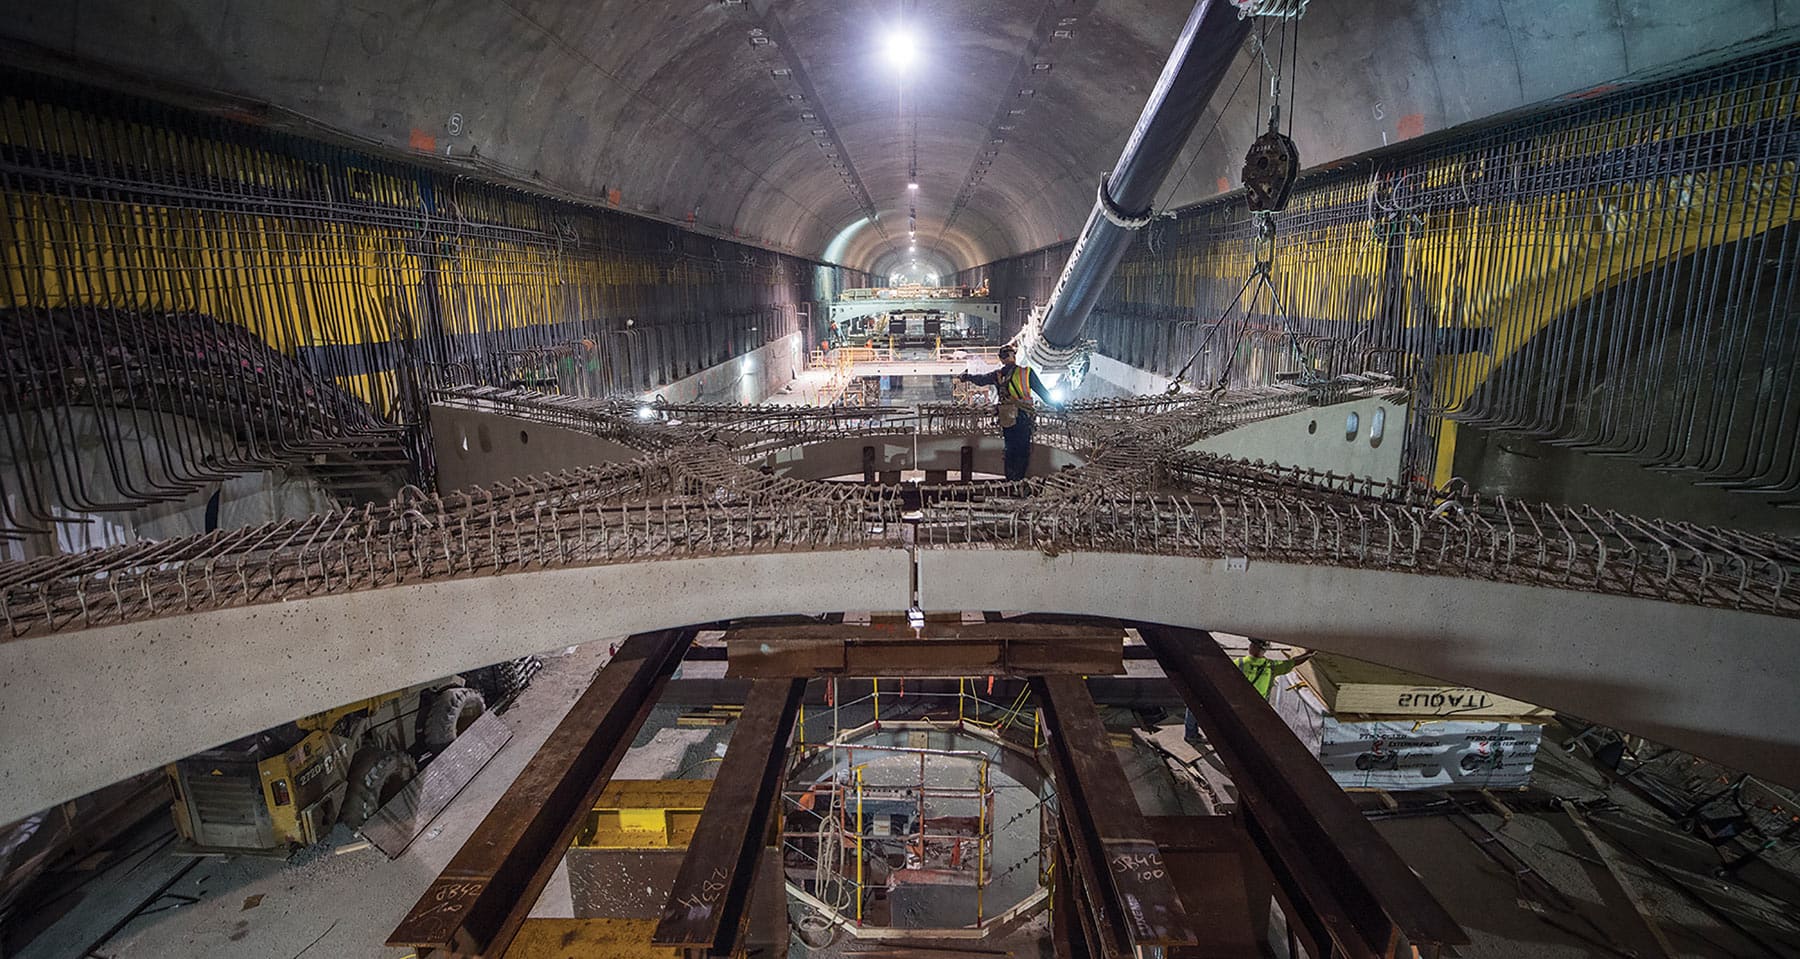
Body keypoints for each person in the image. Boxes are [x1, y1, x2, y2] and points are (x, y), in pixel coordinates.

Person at [1185, 639, 1316, 743]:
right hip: (1257, 709)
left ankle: (1192, 735)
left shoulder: (1239, 663)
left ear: (1250, 648)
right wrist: (1309, 653)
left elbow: (1221, 678)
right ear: (1264, 651)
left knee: (1195, 704)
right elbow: (1294, 662)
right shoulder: (1272, 667)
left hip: (1236, 706)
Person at [957, 345, 1054, 482]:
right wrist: (1059, 407)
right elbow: (1044, 393)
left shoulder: (998, 375)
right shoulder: (1026, 373)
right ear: (1014, 356)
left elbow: (981, 380)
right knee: (1023, 450)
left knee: (1010, 449)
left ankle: (1011, 481)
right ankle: (1019, 480)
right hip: (1024, 416)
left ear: (1001, 359)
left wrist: (966, 377)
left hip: (1007, 417)